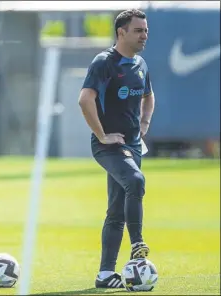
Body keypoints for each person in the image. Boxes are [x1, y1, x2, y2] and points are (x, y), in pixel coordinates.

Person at [78, 9, 155, 289]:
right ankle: (138, 246)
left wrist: (144, 123)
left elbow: (149, 95)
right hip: (109, 147)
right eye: (138, 30)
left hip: (133, 146)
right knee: (135, 181)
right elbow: (85, 100)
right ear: (121, 32)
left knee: (115, 210)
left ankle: (105, 274)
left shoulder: (141, 64)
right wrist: (102, 135)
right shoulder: (104, 63)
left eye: (145, 30)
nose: (144, 35)